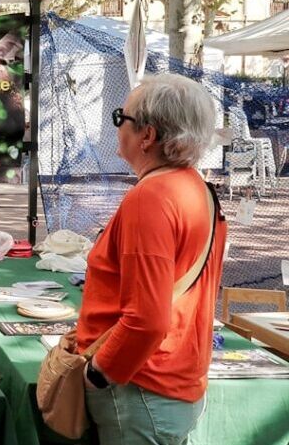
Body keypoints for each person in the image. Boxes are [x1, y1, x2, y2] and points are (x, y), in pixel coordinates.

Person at [77, 74, 228, 445]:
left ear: (147, 136)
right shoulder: (195, 187)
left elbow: (146, 319)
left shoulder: (153, 196)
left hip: (141, 388)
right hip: (172, 381)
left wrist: (98, 373)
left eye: (121, 118)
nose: (117, 128)